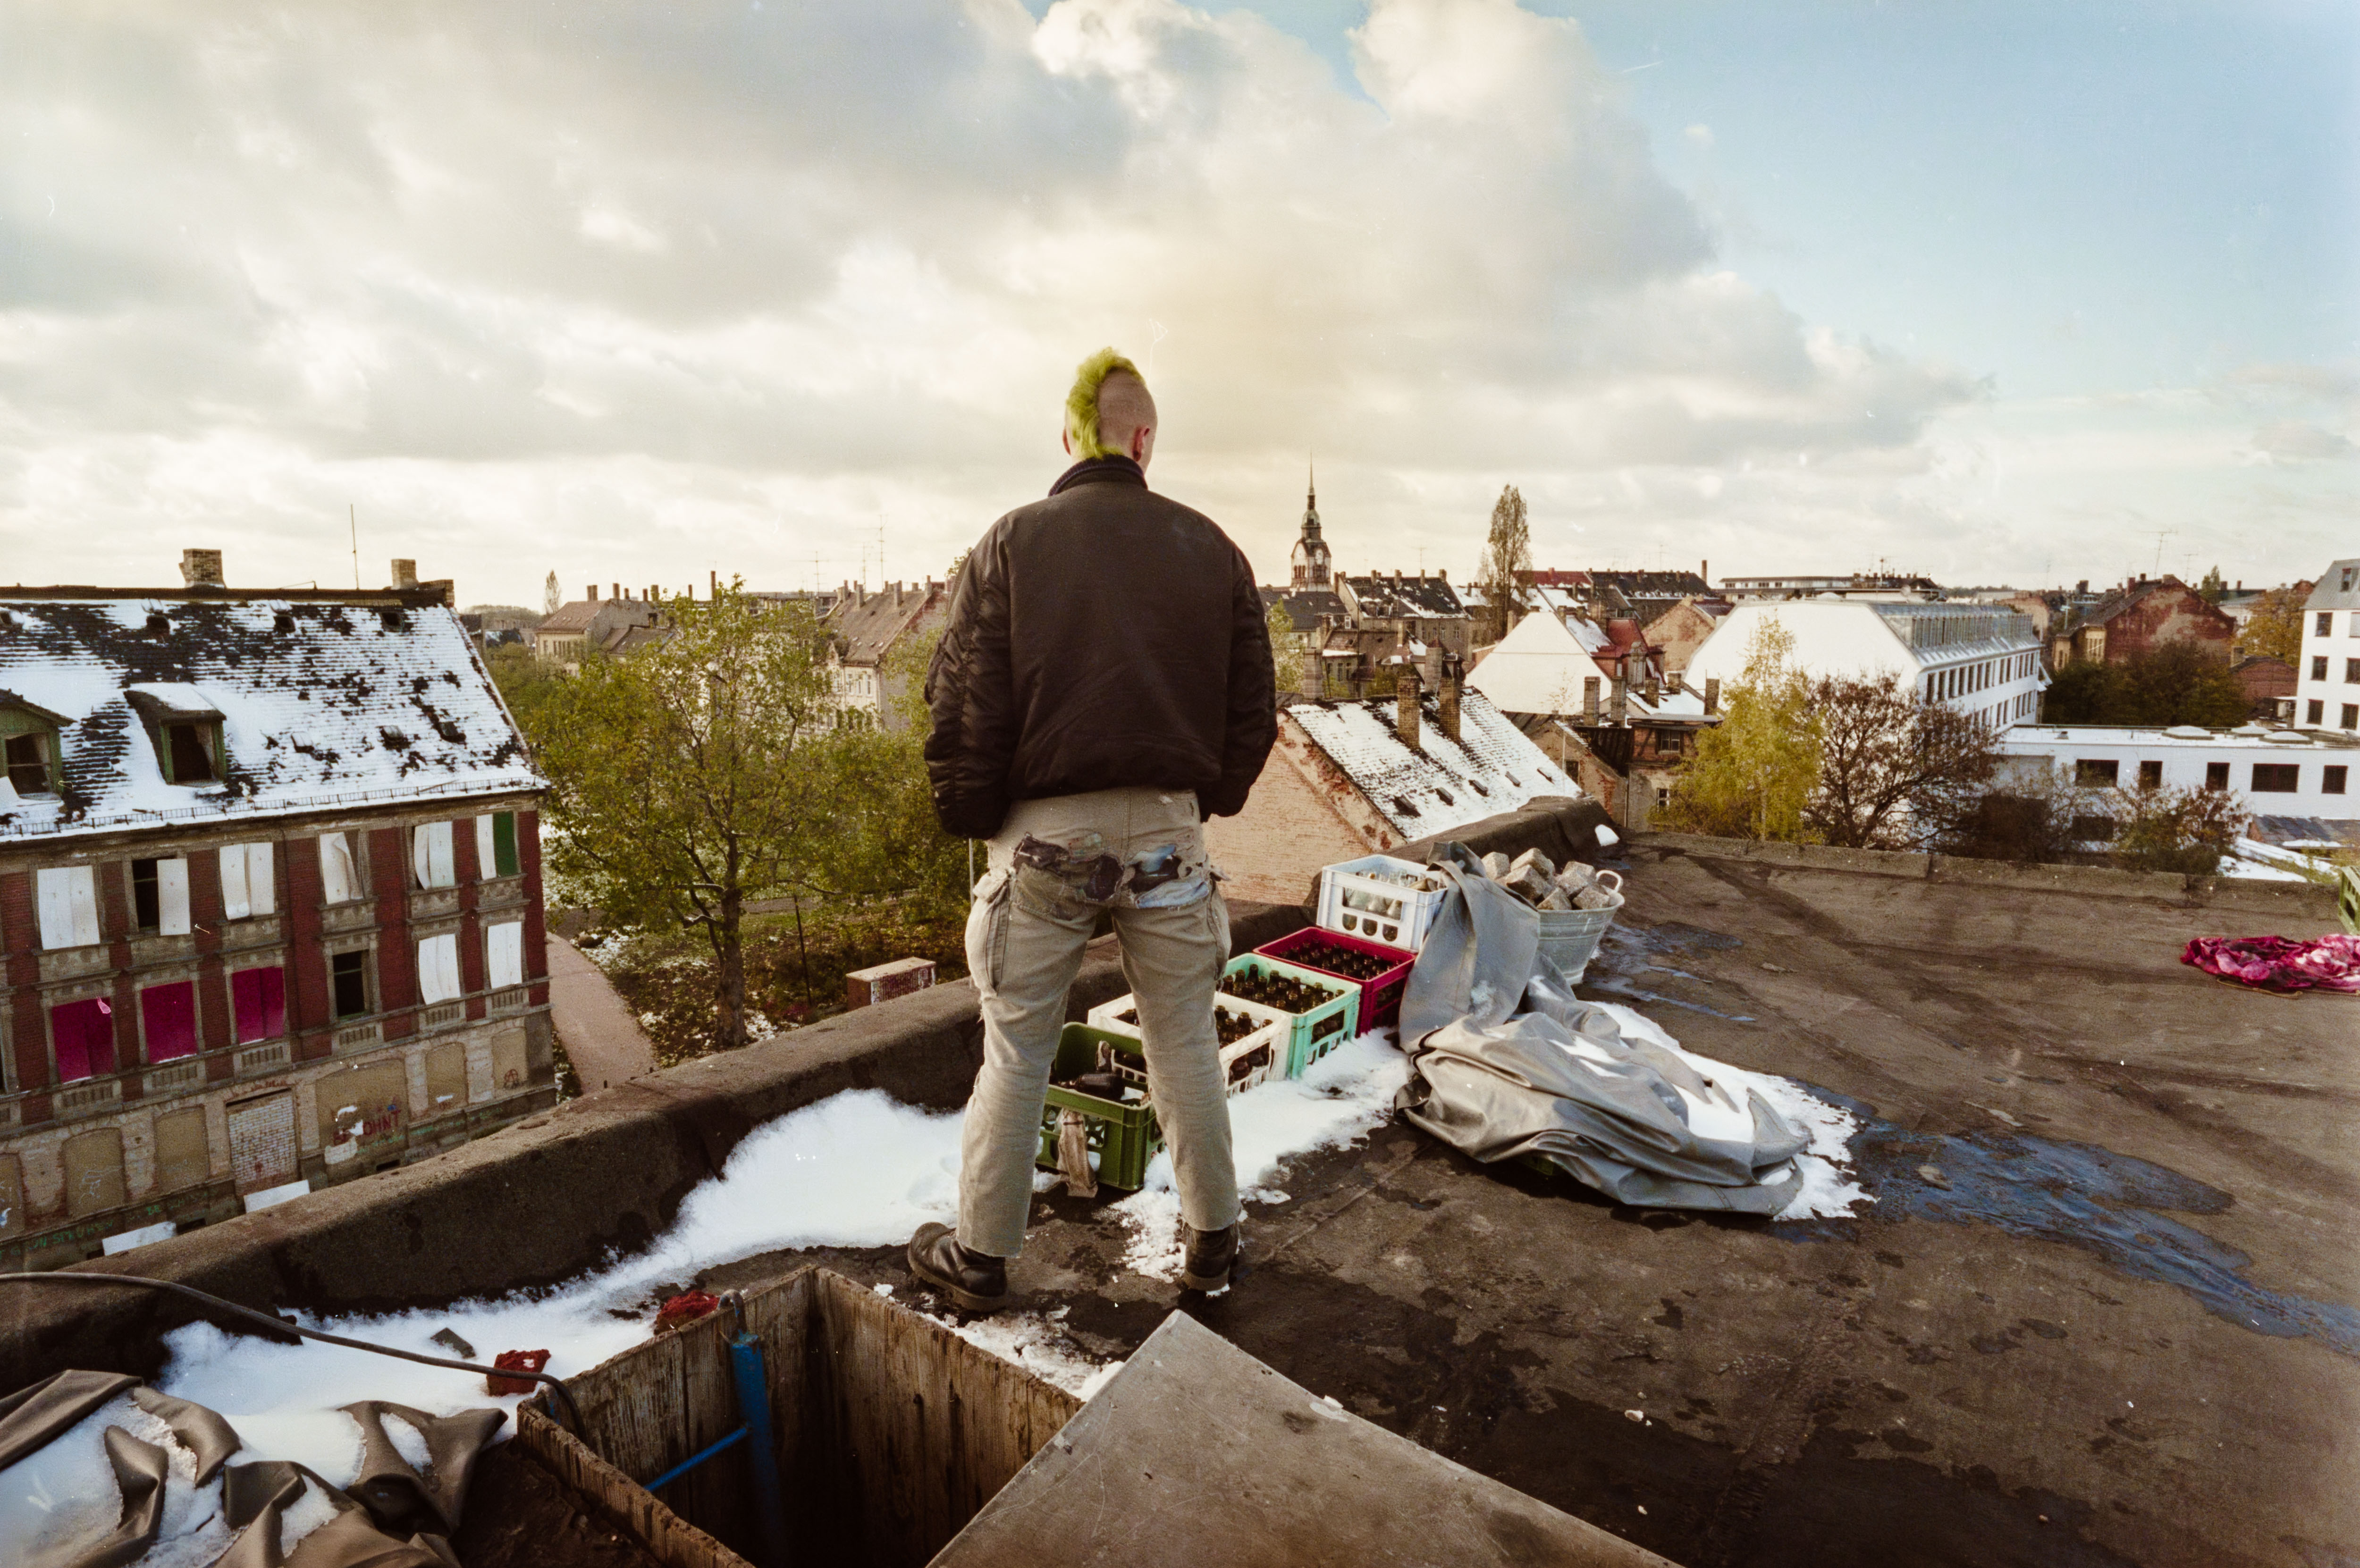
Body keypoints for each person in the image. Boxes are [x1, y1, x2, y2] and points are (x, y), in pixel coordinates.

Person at [908, 347, 1277, 1312]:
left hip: (1043, 839)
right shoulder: (1213, 548)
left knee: (1019, 1047)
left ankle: (981, 1257)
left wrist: (978, 818)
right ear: (1144, 440)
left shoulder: (1010, 543)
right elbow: (1252, 709)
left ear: (1068, 438)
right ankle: (1210, 1245)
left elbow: (965, 708)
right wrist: (1207, 800)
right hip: (1167, 832)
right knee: (1184, 1041)